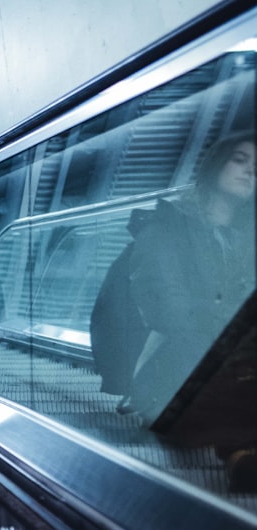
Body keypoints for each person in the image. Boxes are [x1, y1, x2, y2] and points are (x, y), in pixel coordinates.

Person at [127, 131, 255, 490]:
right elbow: (167, 309)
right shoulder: (168, 227)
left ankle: (243, 457)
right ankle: (240, 456)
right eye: (240, 160)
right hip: (175, 375)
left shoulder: (246, 237)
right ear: (215, 165)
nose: (250, 173)